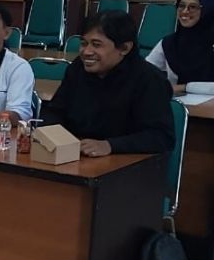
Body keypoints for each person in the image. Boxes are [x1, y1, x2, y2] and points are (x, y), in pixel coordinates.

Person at [42, 12, 174, 157]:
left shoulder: (149, 79)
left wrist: (110, 145)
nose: (86, 52)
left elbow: (162, 137)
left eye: (96, 45)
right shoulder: (77, 69)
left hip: (126, 161)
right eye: (83, 43)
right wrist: (55, 136)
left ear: (124, 48)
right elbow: (54, 112)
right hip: (76, 155)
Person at [146, 0, 214, 96]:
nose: (185, 11)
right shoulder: (170, 43)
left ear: (209, 10)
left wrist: (184, 87)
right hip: (176, 103)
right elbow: (143, 73)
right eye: (181, 6)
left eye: (193, 7)